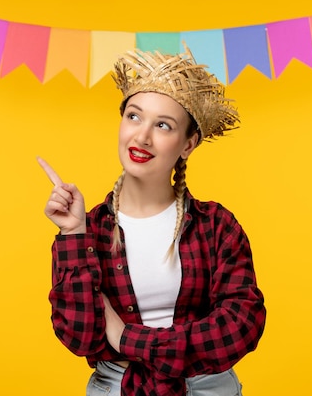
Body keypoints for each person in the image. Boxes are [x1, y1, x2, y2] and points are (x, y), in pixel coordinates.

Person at [38, 47, 266, 396]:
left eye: (163, 125)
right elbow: (79, 336)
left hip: (204, 389)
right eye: (134, 116)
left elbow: (240, 326)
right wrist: (72, 233)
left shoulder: (217, 226)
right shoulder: (91, 228)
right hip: (116, 387)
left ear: (188, 144)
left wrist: (126, 337)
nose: (142, 137)